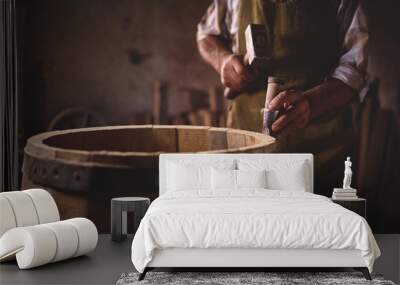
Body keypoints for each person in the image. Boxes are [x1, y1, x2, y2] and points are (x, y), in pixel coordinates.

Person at [196, 0, 368, 195]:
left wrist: (311, 103)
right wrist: (222, 60)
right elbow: (206, 33)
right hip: (247, 152)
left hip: (319, 156)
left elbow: (354, 71)